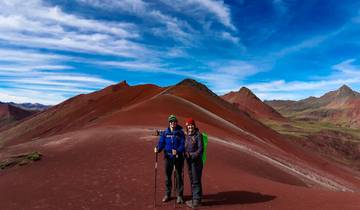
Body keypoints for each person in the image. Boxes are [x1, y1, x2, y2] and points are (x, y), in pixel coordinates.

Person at [154, 114, 185, 204]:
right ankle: (168, 194)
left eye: (174, 121)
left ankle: (179, 195)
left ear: (176, 122)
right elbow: (161, 143)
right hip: (168, 157)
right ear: (169, 123)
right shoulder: (165, 133)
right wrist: (157, 148)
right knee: (167, 177)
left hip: (178, 158)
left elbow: (183, 145)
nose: (173, 123)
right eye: (171, 121)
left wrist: (178, 151)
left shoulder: (180, 133)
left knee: (179, 176)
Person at [184, 118, 203, 208]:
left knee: (195, 179)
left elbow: (200, 149)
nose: (190, 127)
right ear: (187, 126)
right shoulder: (187, 135)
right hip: (189, 161)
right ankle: (196, 197)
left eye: (191, 125)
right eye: (188, 125)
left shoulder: (198, 135)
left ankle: (196, 200)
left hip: (196, 161)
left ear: (194, 126)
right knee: (192, 179)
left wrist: (192, 155)